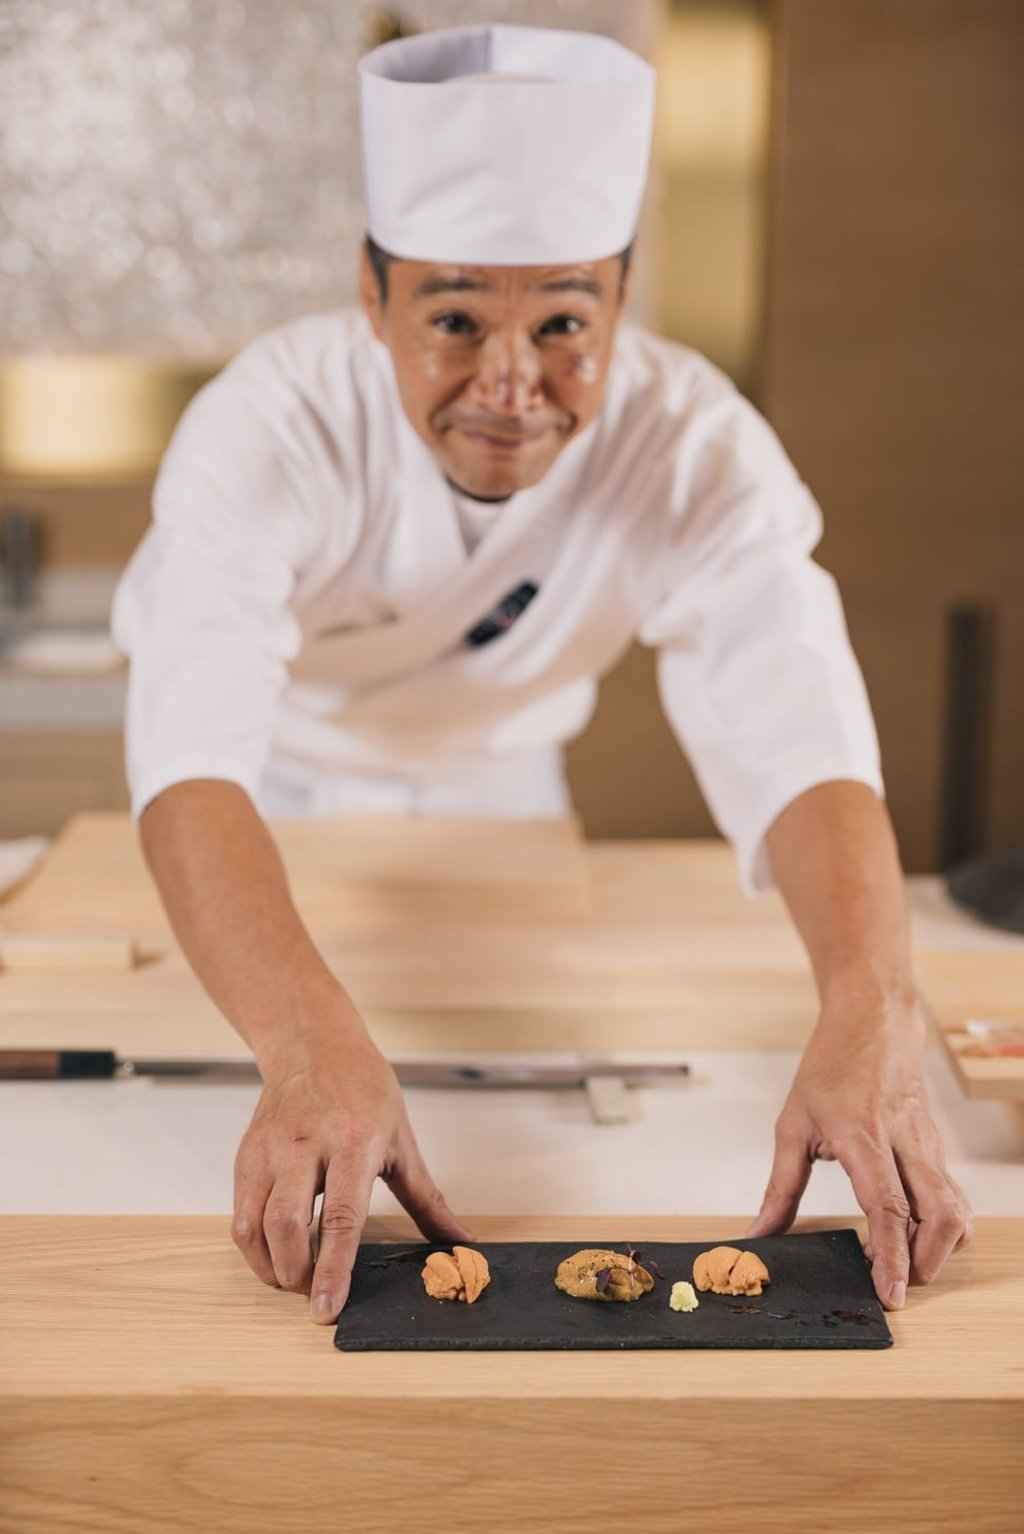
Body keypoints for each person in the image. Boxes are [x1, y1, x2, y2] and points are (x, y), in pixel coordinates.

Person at [112, 22, 972, 1325]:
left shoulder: (693, 445)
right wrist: (301, 1039)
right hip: (272, 811)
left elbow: (799, 731)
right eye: (454, 317)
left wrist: (874, 1002)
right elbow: (190, 755)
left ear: (622, 301)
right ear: (372, 291)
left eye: (565, 322)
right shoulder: (268, 422)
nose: (510, 388)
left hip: (510, 799)